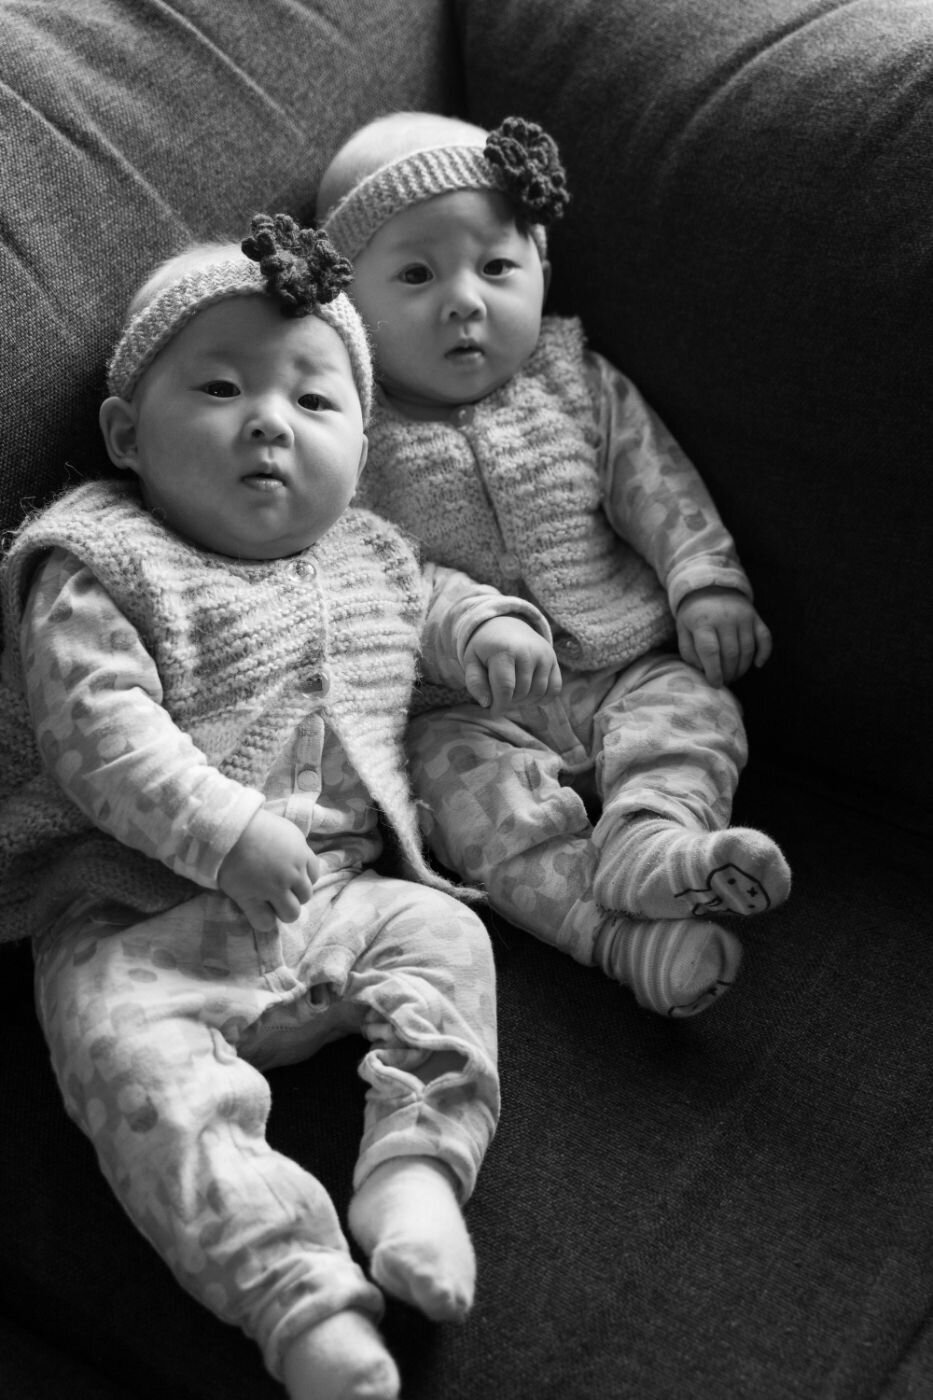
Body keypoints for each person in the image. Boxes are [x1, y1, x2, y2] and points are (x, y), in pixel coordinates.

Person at [0, 215, 561, 1400]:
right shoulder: (97, 557)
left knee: (449, 938)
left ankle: (414, 1169)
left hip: (340, 897)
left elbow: (432, 599)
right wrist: (219, 827)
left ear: (364, 446)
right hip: (136, 915)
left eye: (315, 402)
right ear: (123, 438)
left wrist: (493, 630)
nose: (269, 420)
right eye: (220, 387)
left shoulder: (369, 551)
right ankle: (292, 1290)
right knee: (136, 1077)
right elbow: (94, 725)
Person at [316, 112, 793, 1019]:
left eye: (495, 267)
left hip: (621, 660)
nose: (464, 299)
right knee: (465, 812)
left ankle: (653, 837)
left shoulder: (574, 376)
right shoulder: (350, 436)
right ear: (347, 309)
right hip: (463, 707)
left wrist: (704, 578)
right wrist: (470, 625)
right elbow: (366, 567)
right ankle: (618, 936)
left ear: (538, 267)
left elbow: (654, 482)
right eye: (416, 274)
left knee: (695, 711)